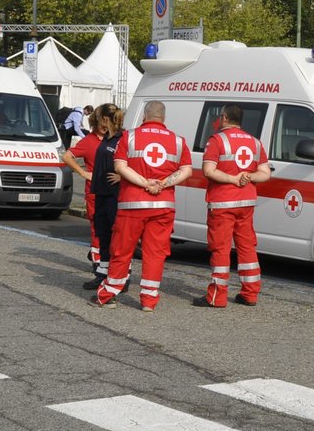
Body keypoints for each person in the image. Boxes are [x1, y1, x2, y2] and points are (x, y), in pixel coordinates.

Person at [93, 100, 192, 311]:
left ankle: (109, 293)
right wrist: (163, 183)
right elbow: (186, 171)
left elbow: (120, 167)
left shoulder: (129, 137)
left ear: (144, 116)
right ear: (163, 118)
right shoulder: (178, 141)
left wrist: (144, 183)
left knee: (121, 250)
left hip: (132, 203)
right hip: (163, 205)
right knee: (155, 253)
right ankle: (149, 300)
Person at [194, 103, 272, 308]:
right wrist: (248, 176)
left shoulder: (217, 140)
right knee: (247, 247)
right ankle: (250, 293)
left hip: (222, 203)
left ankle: (217, 297)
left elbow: (209, 171)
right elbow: (265, 174)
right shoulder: (255, 143)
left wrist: (233, 179)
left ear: (224, 118)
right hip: (246, 203)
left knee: (220, 248)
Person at [82, 103, 125, 291]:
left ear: (106, 119)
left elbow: (135, 163)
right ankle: (102, 275)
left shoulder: (122, 139)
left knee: (118, 240)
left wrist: (122, 175)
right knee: (104, 238)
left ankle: (122, 277)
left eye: (100, 119)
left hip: (114, 196)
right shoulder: (106, 139)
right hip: (100, 193)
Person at [61, 107, 105, 268]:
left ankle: (104, 260)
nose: (105, 128)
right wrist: (84, 173)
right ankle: (98, 266)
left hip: (115, 192)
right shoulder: (89, 141)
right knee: (97, 228)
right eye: (102, 124)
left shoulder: (116, 139)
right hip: (95, 192)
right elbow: (67, 156)